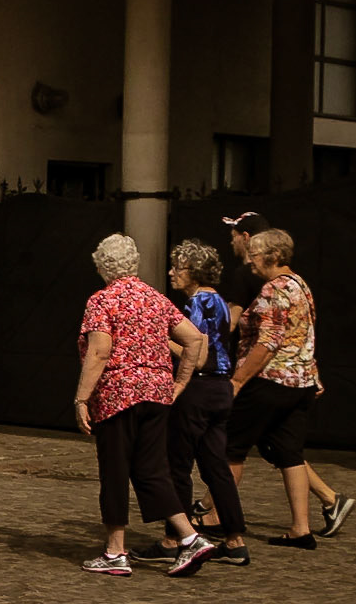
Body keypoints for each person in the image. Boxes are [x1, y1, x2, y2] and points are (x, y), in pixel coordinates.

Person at [73, 233, 216, 578]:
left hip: (118, 396)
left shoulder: (102, 300)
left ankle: (115, 551)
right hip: (156, 394)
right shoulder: (154, 298)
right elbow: (194, 339)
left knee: (115, 471)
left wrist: (81, 398)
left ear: (102, 267)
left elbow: (100, 351)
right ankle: (190, 537)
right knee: (152, 470)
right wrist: (179, 382)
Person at [221, 212, 352, 538]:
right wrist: (313, 374)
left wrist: (237, 381)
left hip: (270, 382)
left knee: (230, 448)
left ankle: (216, 519)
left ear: (274, 257)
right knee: (289, 452)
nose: (251, 263)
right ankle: (300, 529)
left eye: (256, 257)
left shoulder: (274, 291)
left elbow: (268, 343)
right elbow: (304, 335)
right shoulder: (301, 286)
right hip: (300, 382)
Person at [134, 239, 248, 566]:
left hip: (197, 390)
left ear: (195, 273)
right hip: (221, 391)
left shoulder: (196, 303)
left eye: (178, 267)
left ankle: (174, 539)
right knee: (216, 467)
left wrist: (161, 337)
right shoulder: (222, 303)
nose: (171, 272)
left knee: (177, 465)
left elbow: (195, 357)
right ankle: (235, 540)